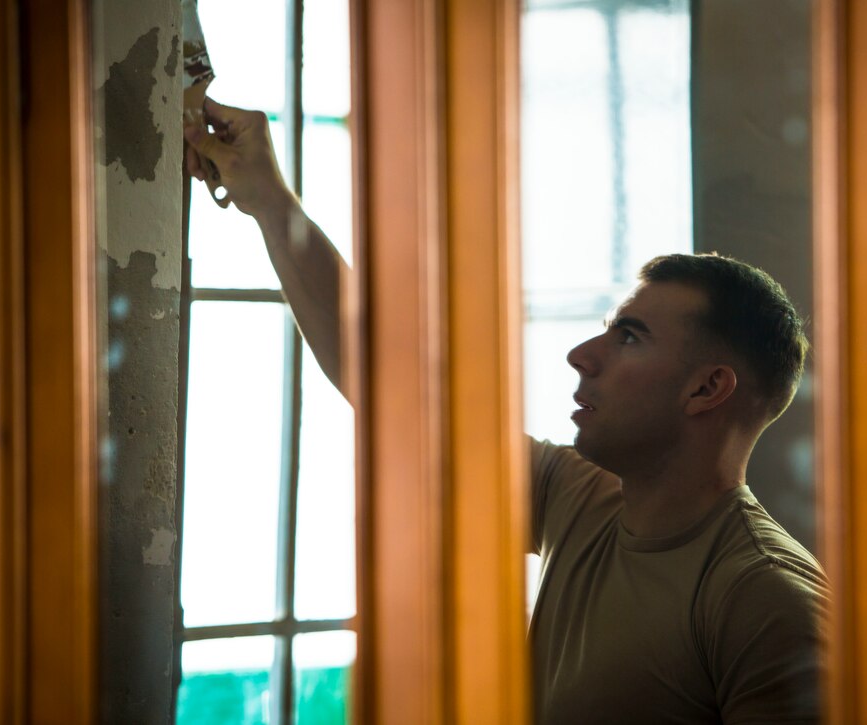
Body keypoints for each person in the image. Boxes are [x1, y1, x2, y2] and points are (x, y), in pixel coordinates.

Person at [186, 98, 828, 725]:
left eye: (629, 336)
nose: (581, 354)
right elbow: (388, 388)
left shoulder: (766, 601)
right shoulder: (580, 499)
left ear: (706, 390)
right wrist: (270, 200)